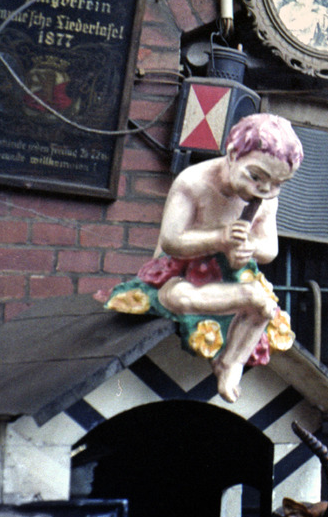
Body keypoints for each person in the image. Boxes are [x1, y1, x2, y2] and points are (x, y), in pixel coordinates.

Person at [104, 113, 304, 403]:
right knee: (180, 298)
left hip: (232, 277)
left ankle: (231, 362)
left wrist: (250, 248)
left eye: (277, 184)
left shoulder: (266, 199)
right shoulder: (193, 183)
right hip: (181, 274)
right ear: (233, 154)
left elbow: (269, 248)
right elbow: (172, 240)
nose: (264, 189)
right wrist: (219, 239)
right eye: (256, 176)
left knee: (264, 305)